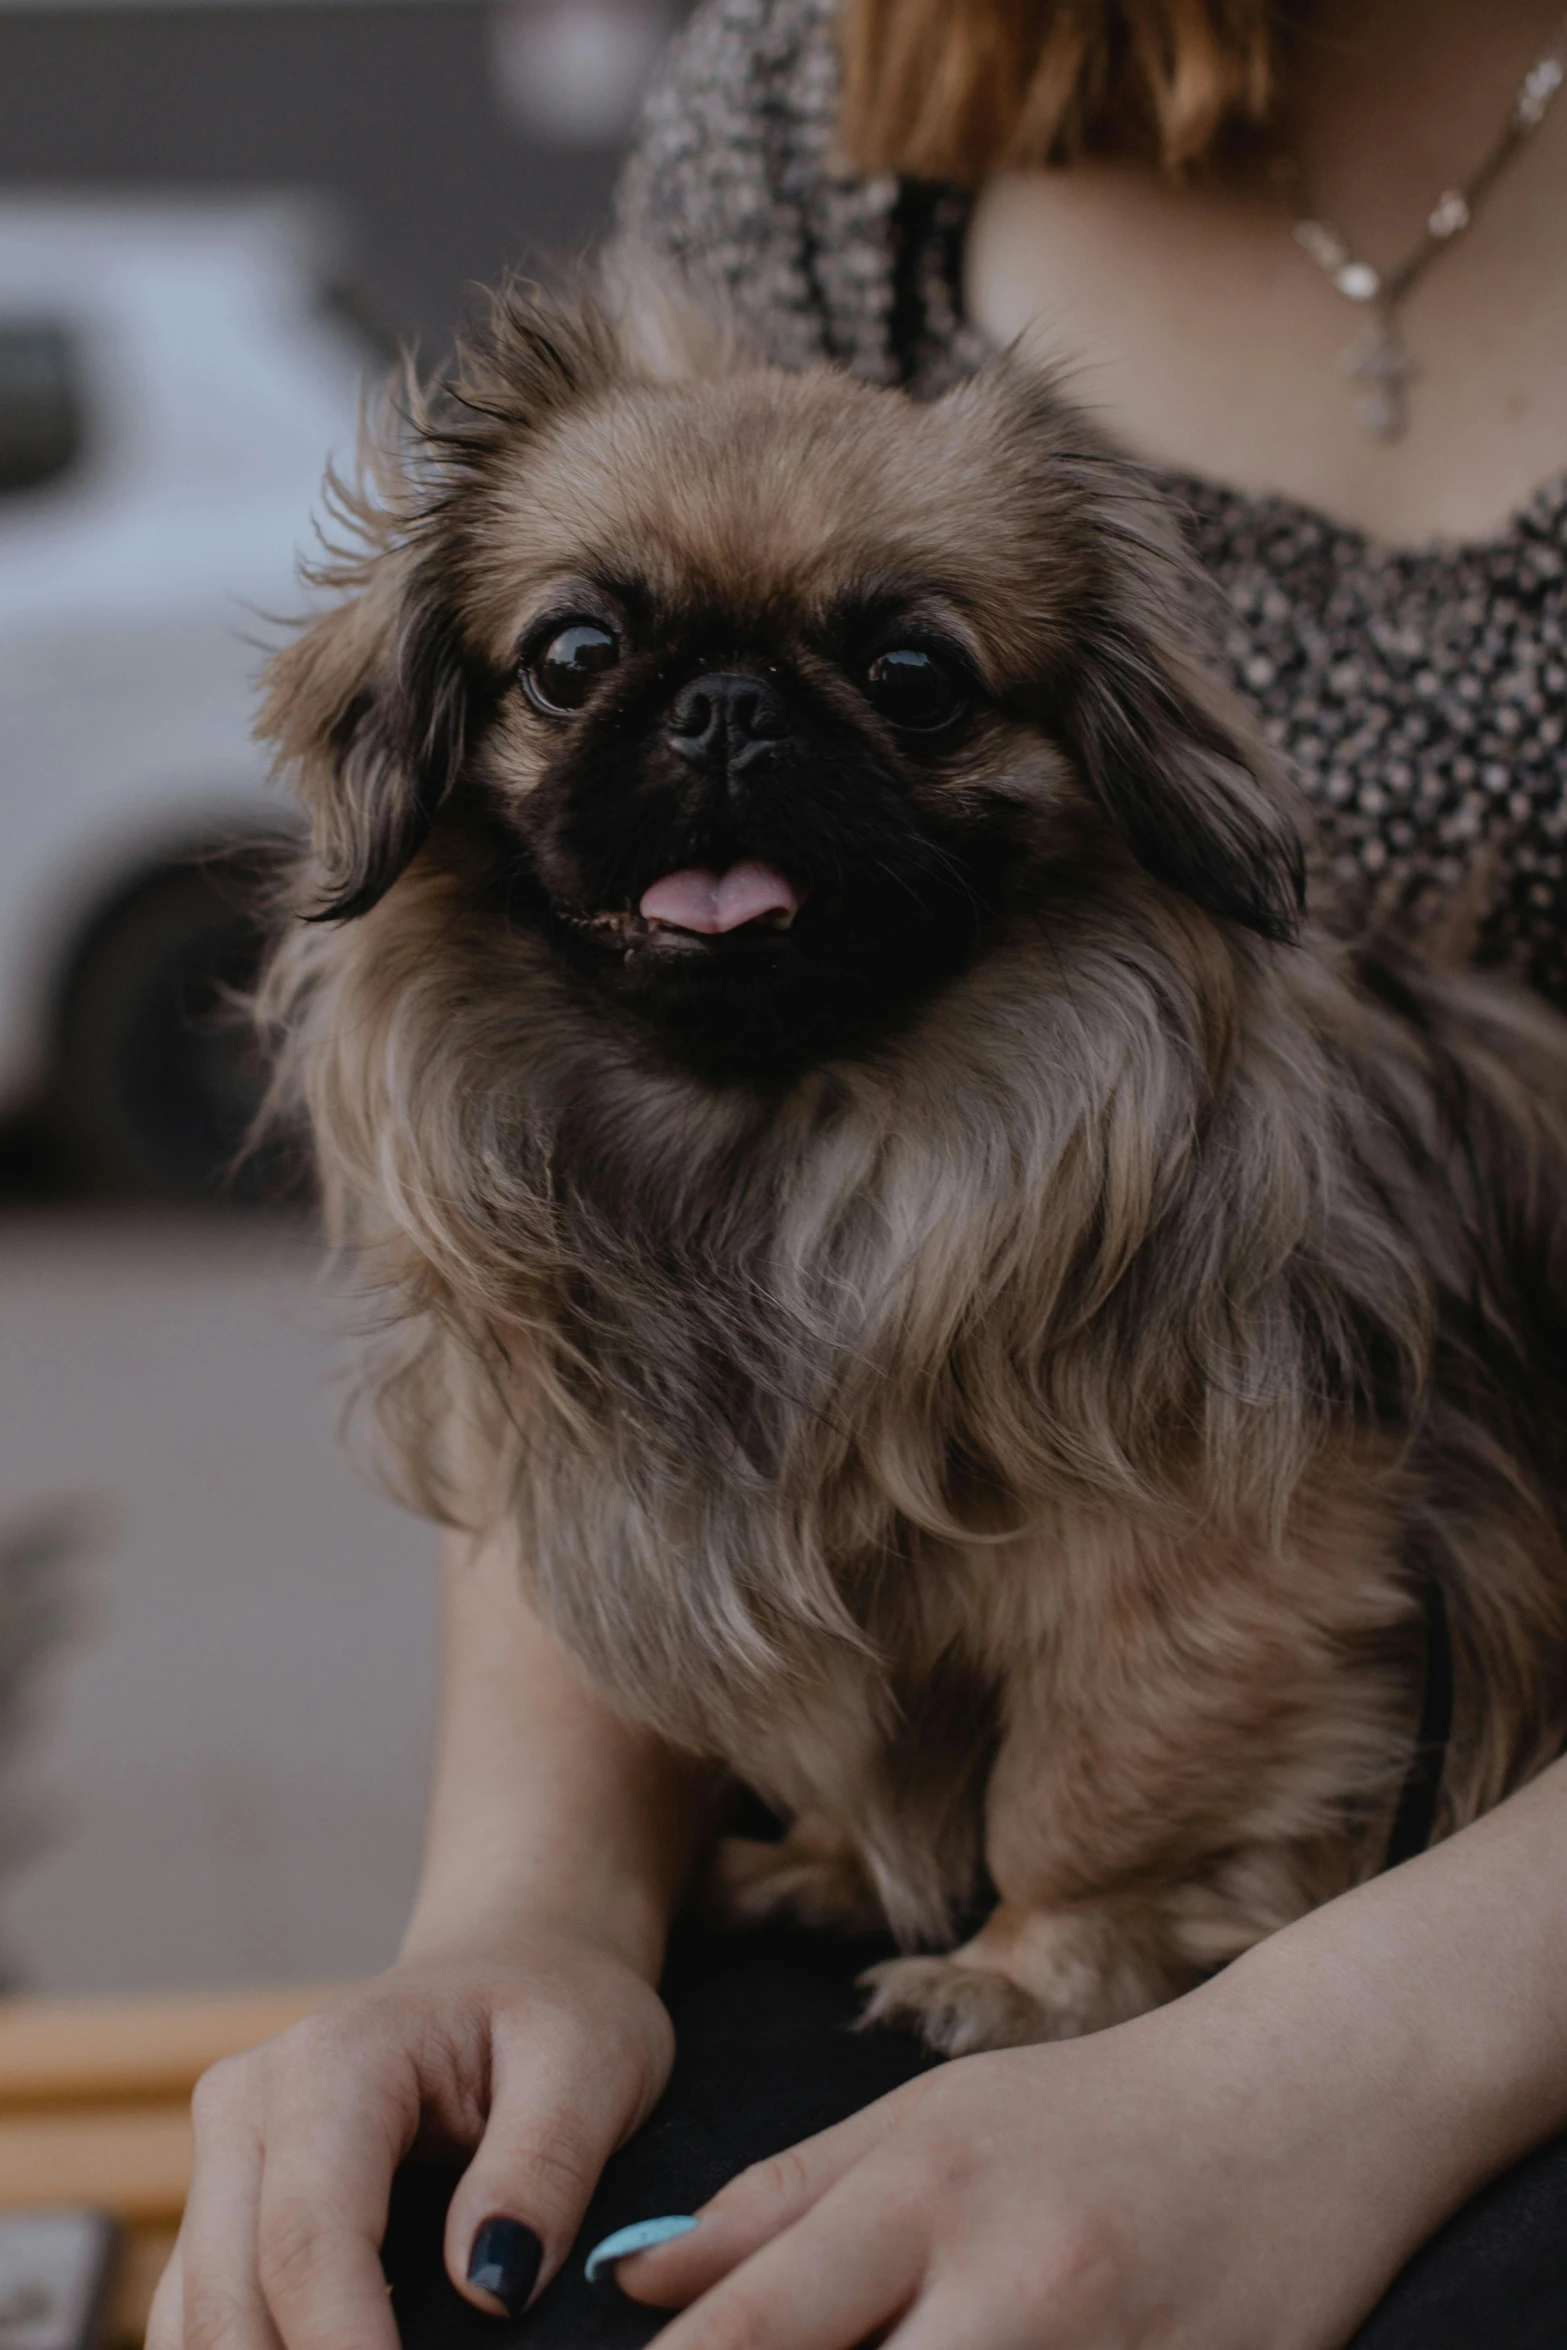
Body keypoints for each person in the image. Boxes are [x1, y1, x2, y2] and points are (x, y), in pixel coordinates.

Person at [149, 3, 1567, 2345]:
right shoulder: (842, 93)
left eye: (899, 677)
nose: (717, 740)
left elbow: (1227, 1557)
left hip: (1400, 1891)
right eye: (588, 655)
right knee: (459, 2288)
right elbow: (586, 1349)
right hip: (900, 1864)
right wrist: (525, 1918)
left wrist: (1233, 2046)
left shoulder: (1194, 1117)